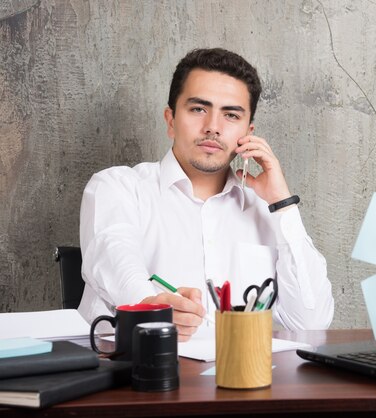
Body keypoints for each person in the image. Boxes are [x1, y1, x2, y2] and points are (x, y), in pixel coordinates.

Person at [77, 48, 334, 341]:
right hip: (139, 377)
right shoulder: (118, 188)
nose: (213, 126)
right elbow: (115, 257)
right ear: (171, 120)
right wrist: (152, 309)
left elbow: (311, 322)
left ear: (248, 132)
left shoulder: (268, 212)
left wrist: (283, 205)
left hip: (242, 381)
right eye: (198, 109)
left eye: (231, 114)